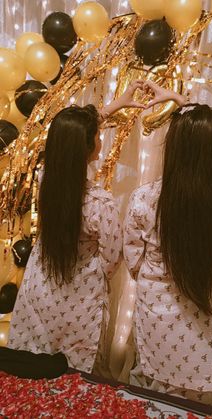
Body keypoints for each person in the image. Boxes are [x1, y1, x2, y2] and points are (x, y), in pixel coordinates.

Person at [7, 81, 145, 373]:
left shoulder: (45, 179)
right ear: (89, 146)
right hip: (80, 303)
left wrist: (113, 106)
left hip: (40, 291)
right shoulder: (99, 203)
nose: (100, 139)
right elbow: (112, 259)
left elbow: (69, 133)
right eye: (96, 135)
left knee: (33, 374)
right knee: (72, 382)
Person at [123, 82, 212, 403]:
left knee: (153, 401)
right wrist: (181, 101)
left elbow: (133, 263)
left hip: (158, 319)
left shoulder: (144, 199)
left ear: (172, 146)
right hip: (206, 318)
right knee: (198, 404)